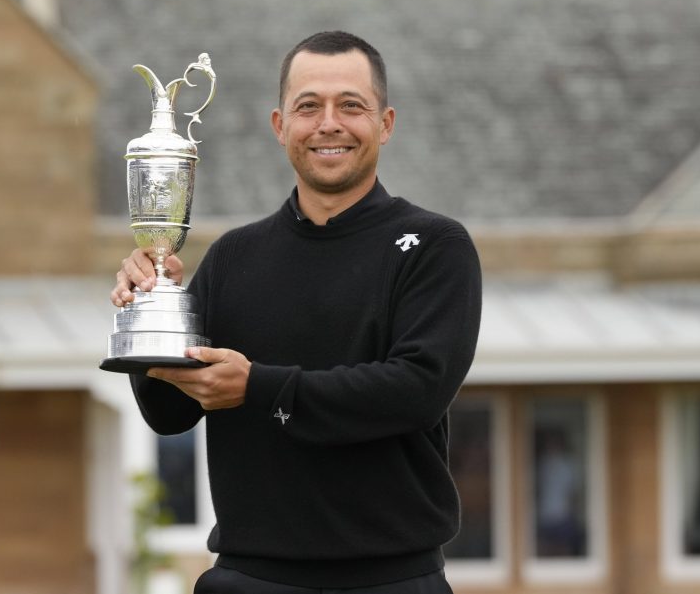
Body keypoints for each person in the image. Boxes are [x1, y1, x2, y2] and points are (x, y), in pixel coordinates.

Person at [111, 31, 481, 593]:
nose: (328, 123)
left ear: (384, 123)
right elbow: (168, 413)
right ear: (281, 126)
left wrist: (258, 388)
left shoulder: (433, 245)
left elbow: (415, 390)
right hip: (248, 577)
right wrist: (154, 309)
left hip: (391, 581)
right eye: (309, 107)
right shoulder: (235, 255)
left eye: (350, 105)